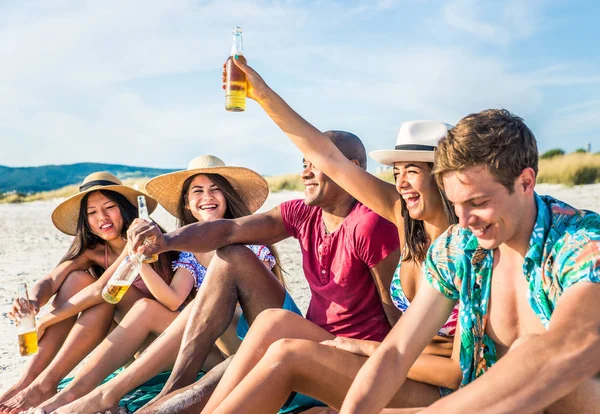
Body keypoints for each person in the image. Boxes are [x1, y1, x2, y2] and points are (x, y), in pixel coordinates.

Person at [51, 131, 401, 414]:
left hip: (347, 351)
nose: (305, 172)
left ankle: (147, 399)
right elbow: (229, 231)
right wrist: (166, 240)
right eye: (303, 163)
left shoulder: (370, 225)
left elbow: (396, 317)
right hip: (309, 330)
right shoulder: (303, 212)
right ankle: (168, 394)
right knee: (231, 257)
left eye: (317, 163)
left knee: (236, 365)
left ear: (353, 168)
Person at [199, 61, 463, 414]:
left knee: (287, 355)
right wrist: (260, 92)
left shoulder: (468, 248)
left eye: (412, 171)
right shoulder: (405, 219)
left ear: (443, 177)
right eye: (396, 172)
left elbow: (456, 372)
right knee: (276, 332)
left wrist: (368, 349)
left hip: (436, 389)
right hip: (397, 365)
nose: (400, 183)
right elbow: (327, 155)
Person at [337, 109, 600, 413]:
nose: (464, 222)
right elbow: (397, 351)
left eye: (478, 203)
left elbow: (567, 349)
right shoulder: (457, 246)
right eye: (455, 204)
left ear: (526, 183)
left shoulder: (581, 245)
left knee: (534, 352)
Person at [34, 155, 284, 413]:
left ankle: (100, 394)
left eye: (215, 189)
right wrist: (138, 257)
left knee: (198, 306)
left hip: (246, 341)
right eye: (197, 191)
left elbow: (252, 306)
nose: (206, 197)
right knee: (146, 308)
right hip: (210, 350)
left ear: (228, 197)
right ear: (187, 204)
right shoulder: (189, 253)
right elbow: (172, 299)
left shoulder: (250, 243)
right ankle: (80, 393)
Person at [0, 172, 175, 413]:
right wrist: (33, 302)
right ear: (85, 219)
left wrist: (47, 319)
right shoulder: (93, 250)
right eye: (92, 212)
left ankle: (45, 384)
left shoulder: (145, 238)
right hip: (127, 341)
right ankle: (29, 381)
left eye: (109, 207)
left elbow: (105, 287)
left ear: (125, 208)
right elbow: (52, 279)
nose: (101, 217)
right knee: (75, 279)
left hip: (162, 336)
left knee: (109, 293)